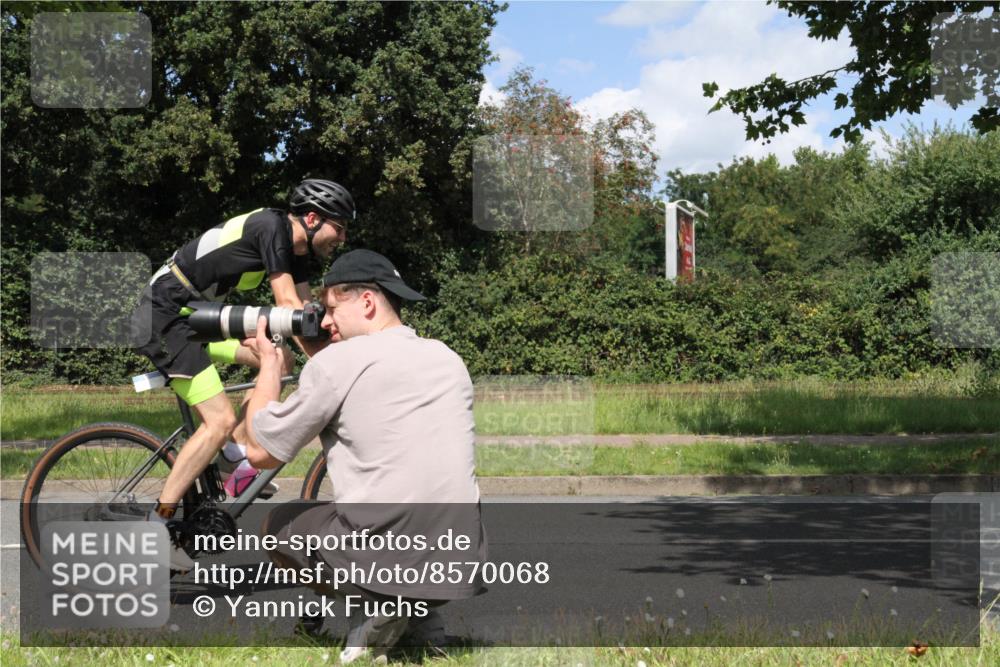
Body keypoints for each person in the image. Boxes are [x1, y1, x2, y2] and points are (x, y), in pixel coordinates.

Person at [240, 249, 486, 664]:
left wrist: (269, 363)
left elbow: (260, 452)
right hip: (460, 558)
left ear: (367, 302)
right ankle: (420, 618)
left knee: (276, 525)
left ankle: (370, 608)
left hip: (388, 555)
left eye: (333, 308)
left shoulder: (338, 364)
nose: (328, 321)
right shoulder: (447, 358)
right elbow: (367, 380)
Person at [134, 179, 355, 571]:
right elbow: (288, 306)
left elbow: (301, 315)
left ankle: (233, 456)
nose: (342, 236)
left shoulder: (296, 250)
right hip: (163, 314)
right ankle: (158, 524)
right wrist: (332, 363)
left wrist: (339, 354)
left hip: (195, 318)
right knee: (216, 420)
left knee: (278, 360)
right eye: (339, 227)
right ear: (312, 218)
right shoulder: (271, 228)